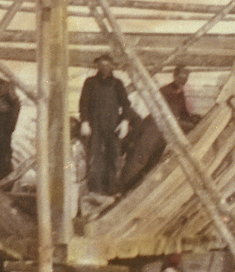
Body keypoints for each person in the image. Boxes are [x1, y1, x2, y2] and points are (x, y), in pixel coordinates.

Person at [119, 65, 198, 193]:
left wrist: (193, 118)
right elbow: (162, 112)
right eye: (181, 76)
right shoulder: (165, 91)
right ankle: (123, 188)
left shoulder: (181, 94)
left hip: (163, 134)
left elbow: (183, 114)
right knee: (138, 159)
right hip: (152, 129)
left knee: (153, 162)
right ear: (175, 75)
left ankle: (137, 190)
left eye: (186, 77)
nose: (183, 79)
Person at [78, 53, 135, 196]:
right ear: (97, 66)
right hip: (94, 125)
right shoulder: (90, 82)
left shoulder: (117, 84)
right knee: (94, 157)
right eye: (101, 65)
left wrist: (125, 121)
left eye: (107, 65)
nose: (104, 68)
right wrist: (84, 122)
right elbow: (83, 104)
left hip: (113, 126)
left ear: (112, 67)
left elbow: (126, 105)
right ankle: (95, 191)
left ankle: (111, 190)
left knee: (113, 157)